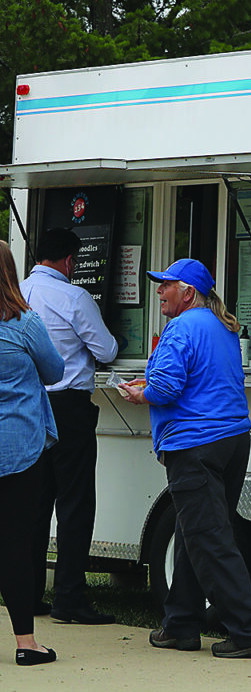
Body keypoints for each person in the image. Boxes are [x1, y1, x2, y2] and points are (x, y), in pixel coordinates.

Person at [119, 258, 251, 659]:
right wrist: (152, 383)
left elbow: (167, 388)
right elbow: (199, 379)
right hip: (232, 440)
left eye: (165, 285)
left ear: (187, 292)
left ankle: (250, 630)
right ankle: (180, 625)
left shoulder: (181, 327)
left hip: (195, 446)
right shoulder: (222, 327)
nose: (158, 292)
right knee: (194, 533)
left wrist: (142, 393)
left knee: (208, 539)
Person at [20, 228, 119, 625]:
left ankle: (27, 594)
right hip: (68, 408)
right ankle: (69, 598)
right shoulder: (74, 297)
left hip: (27, 405)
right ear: (69, 261)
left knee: (36, 502)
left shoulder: (19, 292)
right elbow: (107, 350)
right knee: (75, 503)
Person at [0, 240, 64, 666]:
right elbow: (56, 371)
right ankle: (26, 643)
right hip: (19, 450)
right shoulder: (24, 323)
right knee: (17, 545)